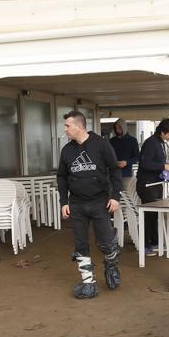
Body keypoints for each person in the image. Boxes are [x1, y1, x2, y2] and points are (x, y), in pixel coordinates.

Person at [57, 110, 122, 299]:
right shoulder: (67, 150)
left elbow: (115, 171)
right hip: (76, 204)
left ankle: (111, 265)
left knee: (107, 242)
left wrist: (115, 196)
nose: (65, 130)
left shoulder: (101, 144)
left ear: (79, 126)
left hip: (100, 202)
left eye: (67, 126)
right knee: (80, 244)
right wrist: (64, 202)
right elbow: (61, 177)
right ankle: (88, 283)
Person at [136, 119, 169, 256]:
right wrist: (164, 166)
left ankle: (155, 241)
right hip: (146, 185)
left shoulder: (161, 142)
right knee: (148, 215)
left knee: (155, 215)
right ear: (162, 132)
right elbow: (145, 163)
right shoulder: (151, 143)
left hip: (156, 184)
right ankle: (145, 245)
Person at [109, 120, 140, 196]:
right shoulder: (112, 141)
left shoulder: (132, 140)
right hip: (113, 174)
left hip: (126, 174)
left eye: (119, 128)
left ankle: (126, 208)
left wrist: (126, 162)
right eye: (116, 128)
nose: (117, 130)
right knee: (113, 196)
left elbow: (137, 157)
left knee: (126, 196)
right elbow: (107, 155)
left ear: (124, 128)